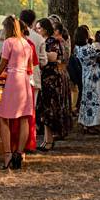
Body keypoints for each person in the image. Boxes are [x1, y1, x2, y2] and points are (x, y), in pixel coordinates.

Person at [0, 16, 36, 169]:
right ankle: (19, 152)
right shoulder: (26, 43)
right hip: (24, 79)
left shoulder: (8, 42)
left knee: (3, 117)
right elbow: (30, 65)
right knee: (24, 118)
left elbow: (2, 63)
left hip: (13, 79)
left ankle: (8, 155)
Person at [35, 18, 71, 150]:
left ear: (44, 29)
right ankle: (46, 140)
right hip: (44, 77)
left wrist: (40, 53)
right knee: (44, 110)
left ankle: (49, 141)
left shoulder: (52, 41)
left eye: (39, 28)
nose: (37, 30)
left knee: (49, 109)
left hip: (52, 78)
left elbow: (53, 57)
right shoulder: (43, 41)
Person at [75, 25, 100, 133]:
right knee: (94, 98)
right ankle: (91, 124)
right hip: (93, 75)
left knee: (86, 99)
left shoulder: (77, 48)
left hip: (85, 74)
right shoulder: (89, 48)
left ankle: (85, 123)